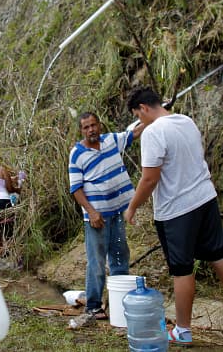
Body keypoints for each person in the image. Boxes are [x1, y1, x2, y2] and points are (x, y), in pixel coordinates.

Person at [123, 87, 223, 346]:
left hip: (177, 210)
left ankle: (183, 330)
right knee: (219, 252)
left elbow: (150, 178)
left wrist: (132, 207)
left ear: (143, 108)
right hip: (205, 198)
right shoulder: (186, 121)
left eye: (138, 115)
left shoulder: (153, 132)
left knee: (181, 268)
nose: (140, 121)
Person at [68, 112, 144, 319]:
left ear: (99, 125)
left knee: (120, 256)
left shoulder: (111, 141)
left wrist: (153, 115)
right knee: (97, 262)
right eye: (86, 127)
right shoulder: (76, 154)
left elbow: (133, 132)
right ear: (81, 130)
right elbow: (76, 188)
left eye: (93, 125)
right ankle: (93, 306)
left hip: (118, 212)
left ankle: (119, 303)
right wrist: (91, 212)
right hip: (97, 218)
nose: (91, 129)